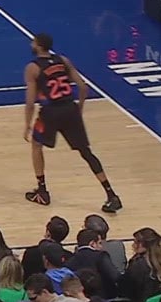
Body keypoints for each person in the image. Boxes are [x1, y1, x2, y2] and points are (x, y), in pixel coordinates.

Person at [23, 32, 122, 214]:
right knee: (86, 152)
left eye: (33, 42)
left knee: (36, 145)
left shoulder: (32, 68)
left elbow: (30, 102)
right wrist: (80, 108)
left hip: (50, 112)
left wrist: (27, 125)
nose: (31, 44)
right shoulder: (63, 60)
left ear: (38, 46)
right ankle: (111, 194)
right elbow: (83, 87)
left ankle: (42, 191)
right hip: (70, 109)